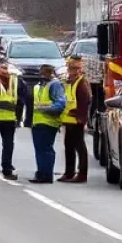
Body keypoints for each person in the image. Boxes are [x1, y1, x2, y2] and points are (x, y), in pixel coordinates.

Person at [29, 64, 67, 184]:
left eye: (43, 73)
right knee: (40, 149)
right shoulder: (39, 86)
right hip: (38, 122)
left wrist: (42, 107)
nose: (41, 75)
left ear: (50, 73)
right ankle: (41, 173)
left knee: (45, 149)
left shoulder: (54, 85)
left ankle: (46, 174)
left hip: (48, 122)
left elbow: (60, 104)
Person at [59, 55, 92, 183]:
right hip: (68, 119)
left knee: (80, 146)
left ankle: (82, 174)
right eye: (69, 67)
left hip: (76, 120)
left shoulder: (81, 83)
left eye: (72, 68)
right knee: (68, 146)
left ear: (78, 69)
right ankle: (69, 173)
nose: (69, 70)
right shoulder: (69, 81)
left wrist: (81, 117)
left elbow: (86, 100)